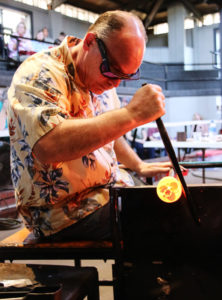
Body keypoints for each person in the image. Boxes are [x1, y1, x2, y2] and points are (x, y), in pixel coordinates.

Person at [7, 10, 171, 240]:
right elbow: (50, 146)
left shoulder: (103, 80)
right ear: (90, 42)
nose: (115, 82)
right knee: (163, 225)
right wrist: (131, 114)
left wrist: (139, 165)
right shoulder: (38, 74)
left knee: (175, 204)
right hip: (62, 214)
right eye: (111, 70)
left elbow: (110, 134)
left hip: (106, 192)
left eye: (125, 76)